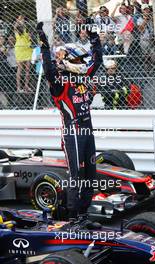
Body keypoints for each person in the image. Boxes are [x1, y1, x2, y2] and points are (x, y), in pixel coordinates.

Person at [36, 20, 103, 230]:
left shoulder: (83, 78)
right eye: (78, 58)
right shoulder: (59, 83)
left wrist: (93, 34)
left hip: (87, 129)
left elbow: (97, 58)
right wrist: (44, 44)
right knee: (76, 175)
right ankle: (74, 219)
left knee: (90, 174)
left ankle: (83, 215)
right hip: (73, 131)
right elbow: (48, 68)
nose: (82, 61)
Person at [14, 16, 32, 92]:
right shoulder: (17, 28)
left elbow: (30, 38)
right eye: (21, 19)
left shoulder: (27, 29)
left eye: (23, 19)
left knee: (27, 69)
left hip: (27, 49)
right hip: (19, 49)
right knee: (20, 69)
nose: (23, 21)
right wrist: (18, 21)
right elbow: (15, 26)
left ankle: (26, 86)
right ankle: (18, 87)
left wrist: (30, 37)